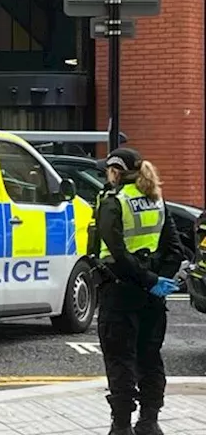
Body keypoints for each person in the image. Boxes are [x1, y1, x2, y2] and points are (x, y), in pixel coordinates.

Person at [92, 147, 184, 435]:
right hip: (151, 296)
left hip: (120, 292)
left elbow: (116, 252)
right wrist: (158, 281)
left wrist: (145, 279)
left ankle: (121, 426)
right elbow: (176, 250)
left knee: (120, 359)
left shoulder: (113, 201)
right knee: (149, 356)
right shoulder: (156, 199)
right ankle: (149, 421)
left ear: (116, 172)